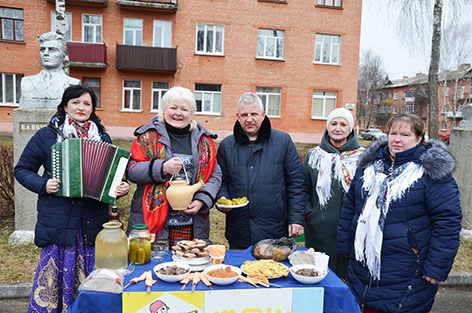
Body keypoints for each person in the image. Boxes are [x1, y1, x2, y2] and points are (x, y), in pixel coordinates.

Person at [14, 85, 130, 313]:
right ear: (65, 105)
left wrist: (121, 187)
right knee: (56, 276)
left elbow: (114, 176)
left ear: (93, 109)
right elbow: (22, 169)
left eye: (87, 104)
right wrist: (43, 185)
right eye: (76, 102)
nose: (81, 107)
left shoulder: (102, 137)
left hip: (93, 220)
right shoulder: (47, 135)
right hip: (58, 219)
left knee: (92, 276)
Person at [336, 114, 462, 313]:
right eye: (393, 133)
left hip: (407, 268)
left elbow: (448, 223)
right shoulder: (368, 167)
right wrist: (344, 245)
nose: (397, 139)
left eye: (405, 134)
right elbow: (351, 206)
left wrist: (437, 267)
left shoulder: (430, 173)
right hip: (362, 264)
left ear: (419, 138)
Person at [126, 86, 221, 242]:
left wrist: (202, 200)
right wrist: (162, 168)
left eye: (184, 109)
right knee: (153, 263)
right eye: (173, 108)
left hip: (192, 222)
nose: (178, 113)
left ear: (191, 113)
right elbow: (131, 170)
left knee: (190, 261)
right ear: (164, 110)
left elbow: (214, 174)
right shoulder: (147, 137)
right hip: (153, 219)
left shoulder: (204, 141)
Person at [216, 92, 305, 249]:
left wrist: (296, 218)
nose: (249, 119)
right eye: (244, 115)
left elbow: (296, 183)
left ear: (263, 115)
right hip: (239, 229)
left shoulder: (283, 141)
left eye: (254, 114)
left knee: (272, 272)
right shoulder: (226, 146)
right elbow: (220, 181)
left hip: (274, 229)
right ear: (237, 116)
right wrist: (222, 199)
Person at [304, 108, 364, 278]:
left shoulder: (362, 157)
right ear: (327, 127)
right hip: (319, 228)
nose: (338, 128)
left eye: (343, 124)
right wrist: (310, 214)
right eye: (334, 123)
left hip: (351, 227)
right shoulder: (314, 155)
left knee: (347, 277)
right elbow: (304, 188)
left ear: (351, 128)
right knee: (319, 274)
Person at [21, 32, 80, 103]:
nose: (45, 53)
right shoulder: (27, 82)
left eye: (52, 50)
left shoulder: (73, 83)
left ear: (64, 56)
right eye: (43, 49)